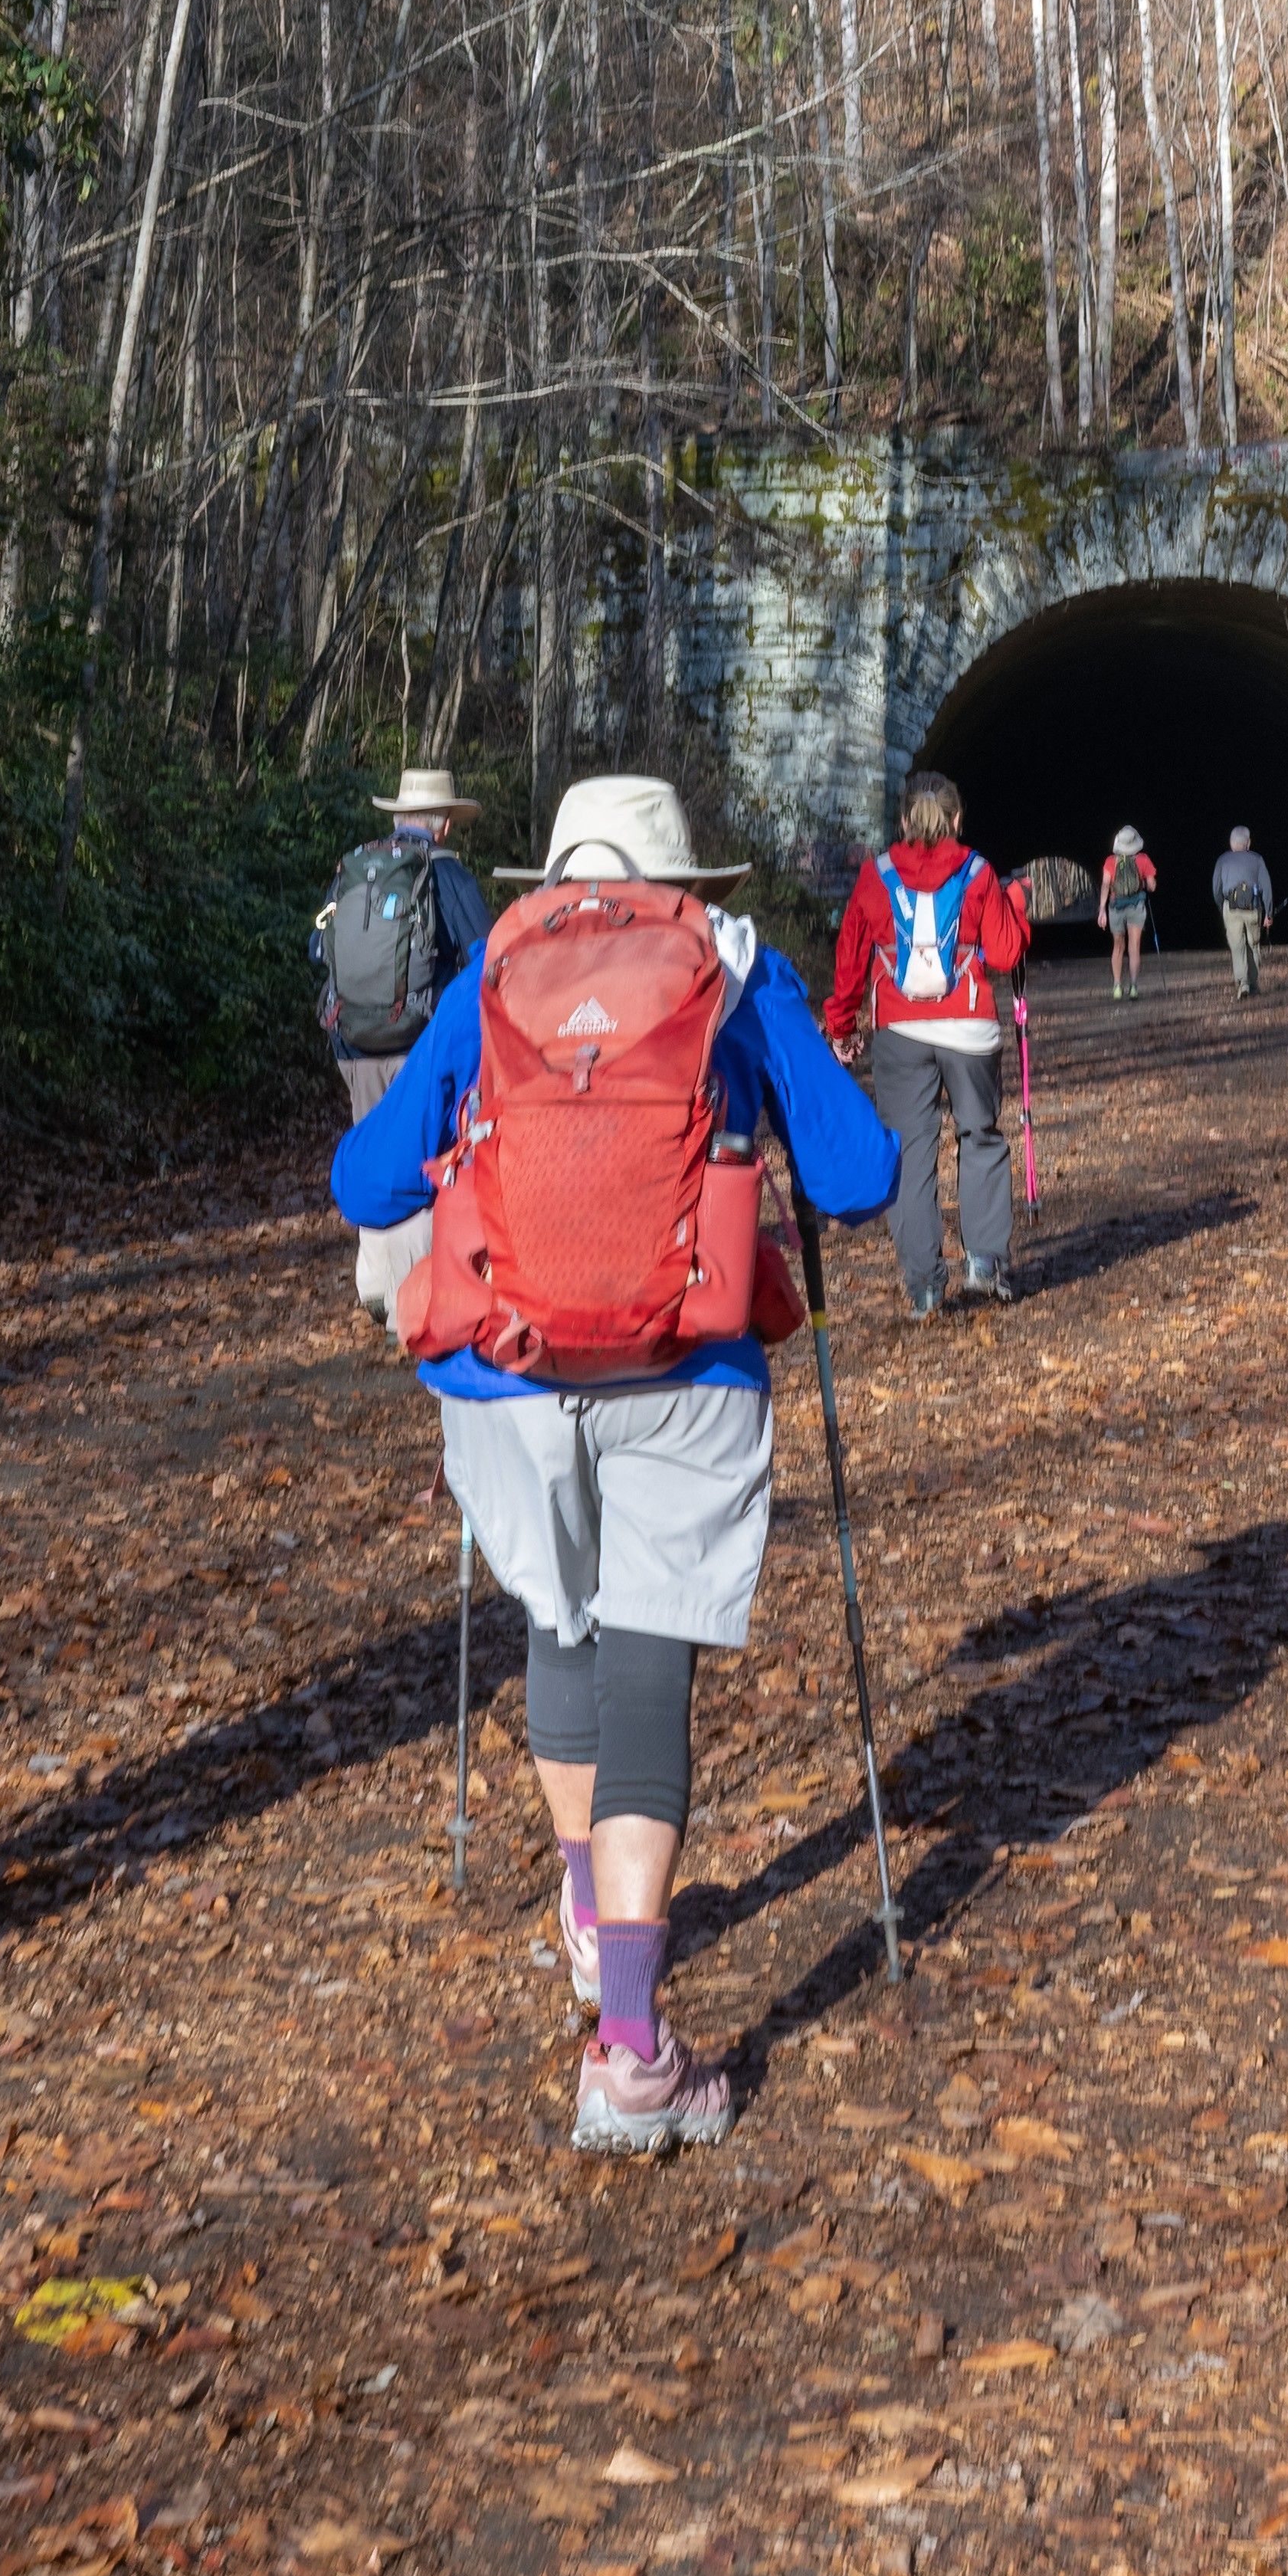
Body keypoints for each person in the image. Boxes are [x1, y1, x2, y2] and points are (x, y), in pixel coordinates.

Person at [333, 776, 897, 2154]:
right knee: (648, 1653)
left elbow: (367, 1183)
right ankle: (632, 2047)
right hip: (685, 1365)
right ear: (685, 883)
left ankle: (587, 1907)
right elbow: (863, 1171)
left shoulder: (492, 977)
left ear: (557, 874)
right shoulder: (732, 977)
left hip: (507, 1372)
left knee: (559, 1622)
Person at [839, 773, 1034, 1313]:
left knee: (910, 1151)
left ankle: (925, 1283)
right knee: (980, 1137)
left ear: (902, 821)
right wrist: (1014, 905)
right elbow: (1003, 952)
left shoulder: (876, 877)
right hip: (969, 1026)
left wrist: (840, 1025)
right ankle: (985, 1263)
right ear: (957, 821)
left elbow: (852, 954)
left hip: (900, 1029)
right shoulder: (978, 873)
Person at [314, 767, 498, 1325]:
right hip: (421, 1041)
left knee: (373, 1152)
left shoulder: (353, 868)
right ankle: (412, 1300)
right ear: (443, 826)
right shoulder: (446, 873)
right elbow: (491, 956)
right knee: (427, 1158)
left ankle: (374, 1282)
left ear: (397, 817)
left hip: (352, 1040)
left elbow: (316, 950)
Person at [1208, 825, 1277, 996]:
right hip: (1253, 908)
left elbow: (1216, 888)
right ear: (1248, 843)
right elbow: (1266, 887)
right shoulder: (1257, 859)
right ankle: (1253, 984)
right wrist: (1269, 912)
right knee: (1253, 946)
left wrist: (1221, 906)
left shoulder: (1223, 860)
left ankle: (1243, 983)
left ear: (1231, 843)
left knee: (1237, 946)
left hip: (1230, 907)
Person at [1096, 825, 1159, 998]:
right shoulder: (1144, 859)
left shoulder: (1110, 861)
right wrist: (1146, 883)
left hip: (1116, 906)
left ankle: (1117, 986)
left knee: (1118, 946)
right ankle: (1133, 986)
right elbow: (1152, 887)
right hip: (1136, 906)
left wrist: (1102, 910)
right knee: (1134, 947)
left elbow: (1105, 885)